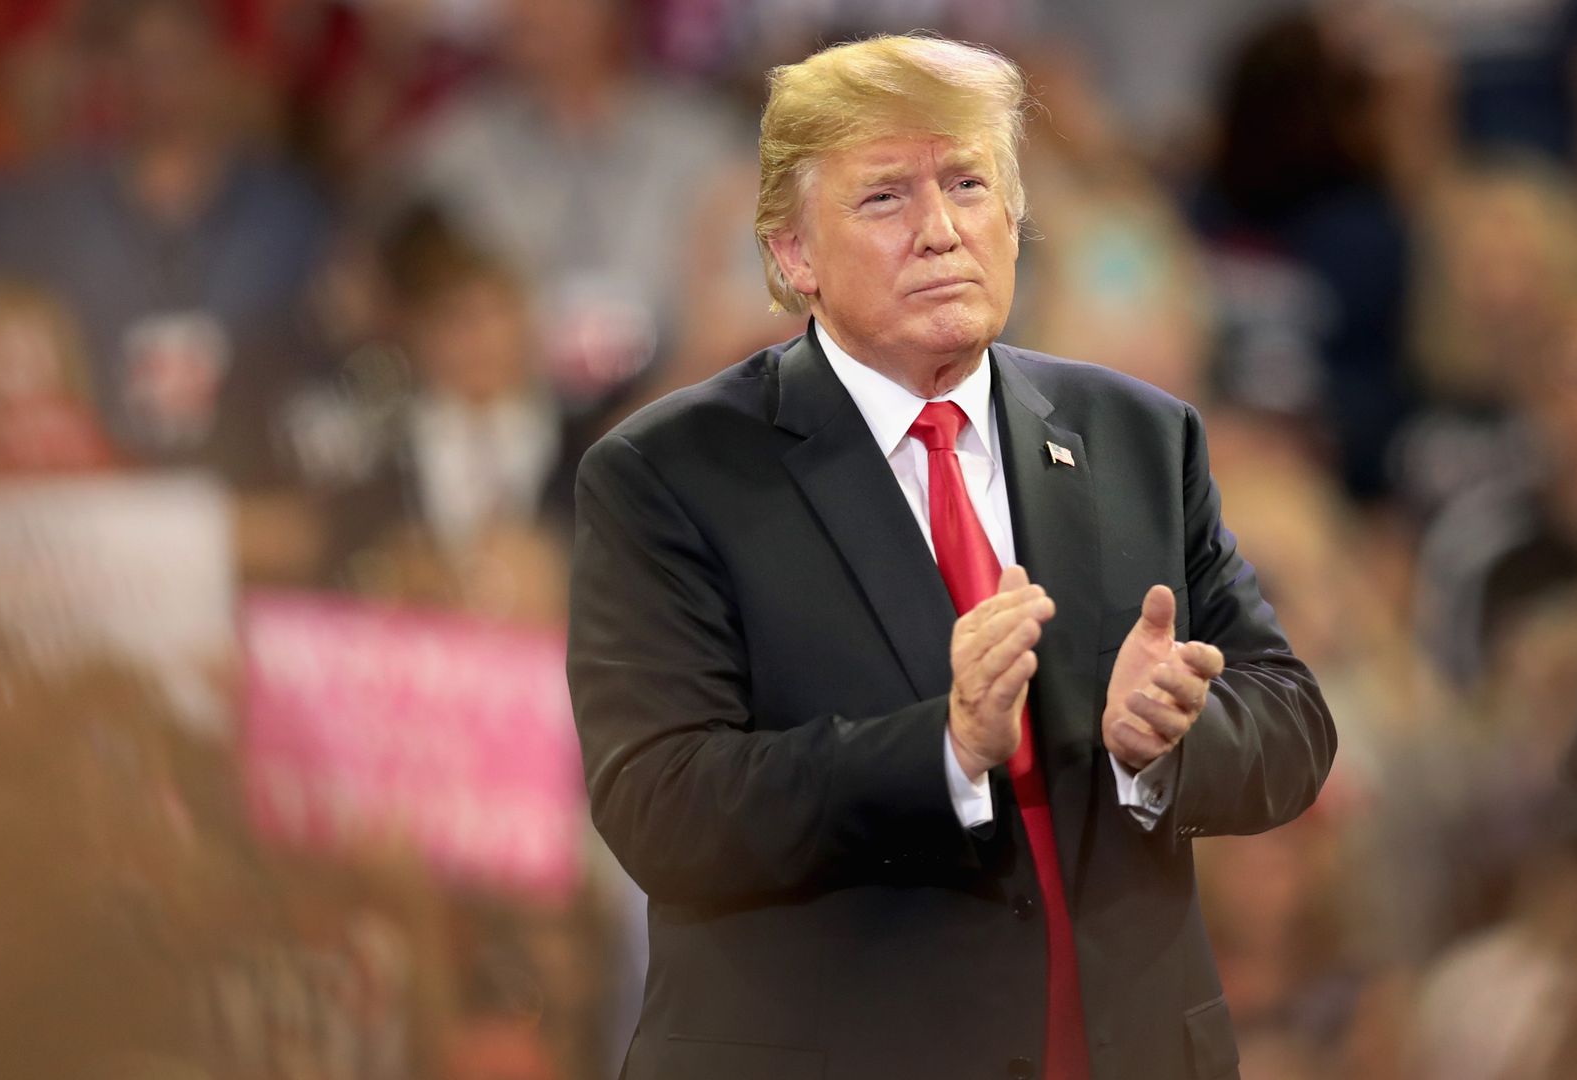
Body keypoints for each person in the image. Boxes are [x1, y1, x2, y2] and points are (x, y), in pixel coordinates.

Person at [566, 35, 1335, 1080]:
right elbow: (662, 808)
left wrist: (1170, 741)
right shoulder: (668, 477)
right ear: (793, 254)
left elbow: (1292, 722)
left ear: (1013, 219)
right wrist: (943, 749)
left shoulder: (1139, 438)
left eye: (968, 183)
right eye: (885, 198)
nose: (941, 232)